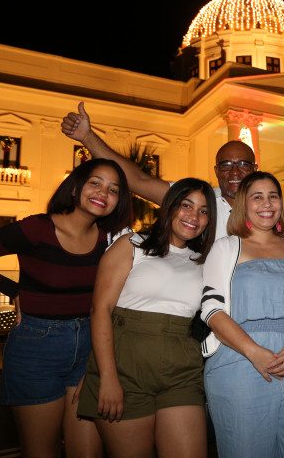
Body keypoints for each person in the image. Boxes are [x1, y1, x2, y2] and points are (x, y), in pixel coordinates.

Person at [0, 158, 132, 458]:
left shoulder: (108, 241)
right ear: (74, 189)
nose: (104, 192)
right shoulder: (36, 228)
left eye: (114, 189)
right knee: (41, 452)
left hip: (89, 349)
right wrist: (11, 290)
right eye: (95, 183)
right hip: (36, 351)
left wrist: (102, 362)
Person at [76, 178, 216, 457]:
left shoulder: (205, 260)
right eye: (186, 205)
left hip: (182, 371)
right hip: (124, 370)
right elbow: (100, 310)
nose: (194, 216)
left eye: (203, 211)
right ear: (170, 206)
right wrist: (106, 376)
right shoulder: (132, 244)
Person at [200, 172, 284, 457]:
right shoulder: (226, 247)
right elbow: (212, 309)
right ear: (243, 204)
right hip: (239, 363)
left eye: (273, 196)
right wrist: (254, 352)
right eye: (257, 197)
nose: (267, 203)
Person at [61, 101, 284, 241]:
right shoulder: (200, 201)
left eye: (243, 164)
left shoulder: (270, 211)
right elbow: (138, 179)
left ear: (255, 169)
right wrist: (87, 137)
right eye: (226, 165)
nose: (235, 172)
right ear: (216, 170)